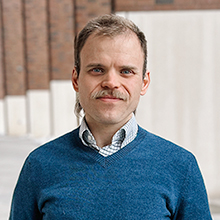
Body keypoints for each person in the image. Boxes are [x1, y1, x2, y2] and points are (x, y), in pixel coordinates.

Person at [9, 14, 212, 219]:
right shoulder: (39, 165)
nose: (111, 82)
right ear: (76, 79)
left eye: (126, 71)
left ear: (144, 82)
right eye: (97, 69)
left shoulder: (180, 167)